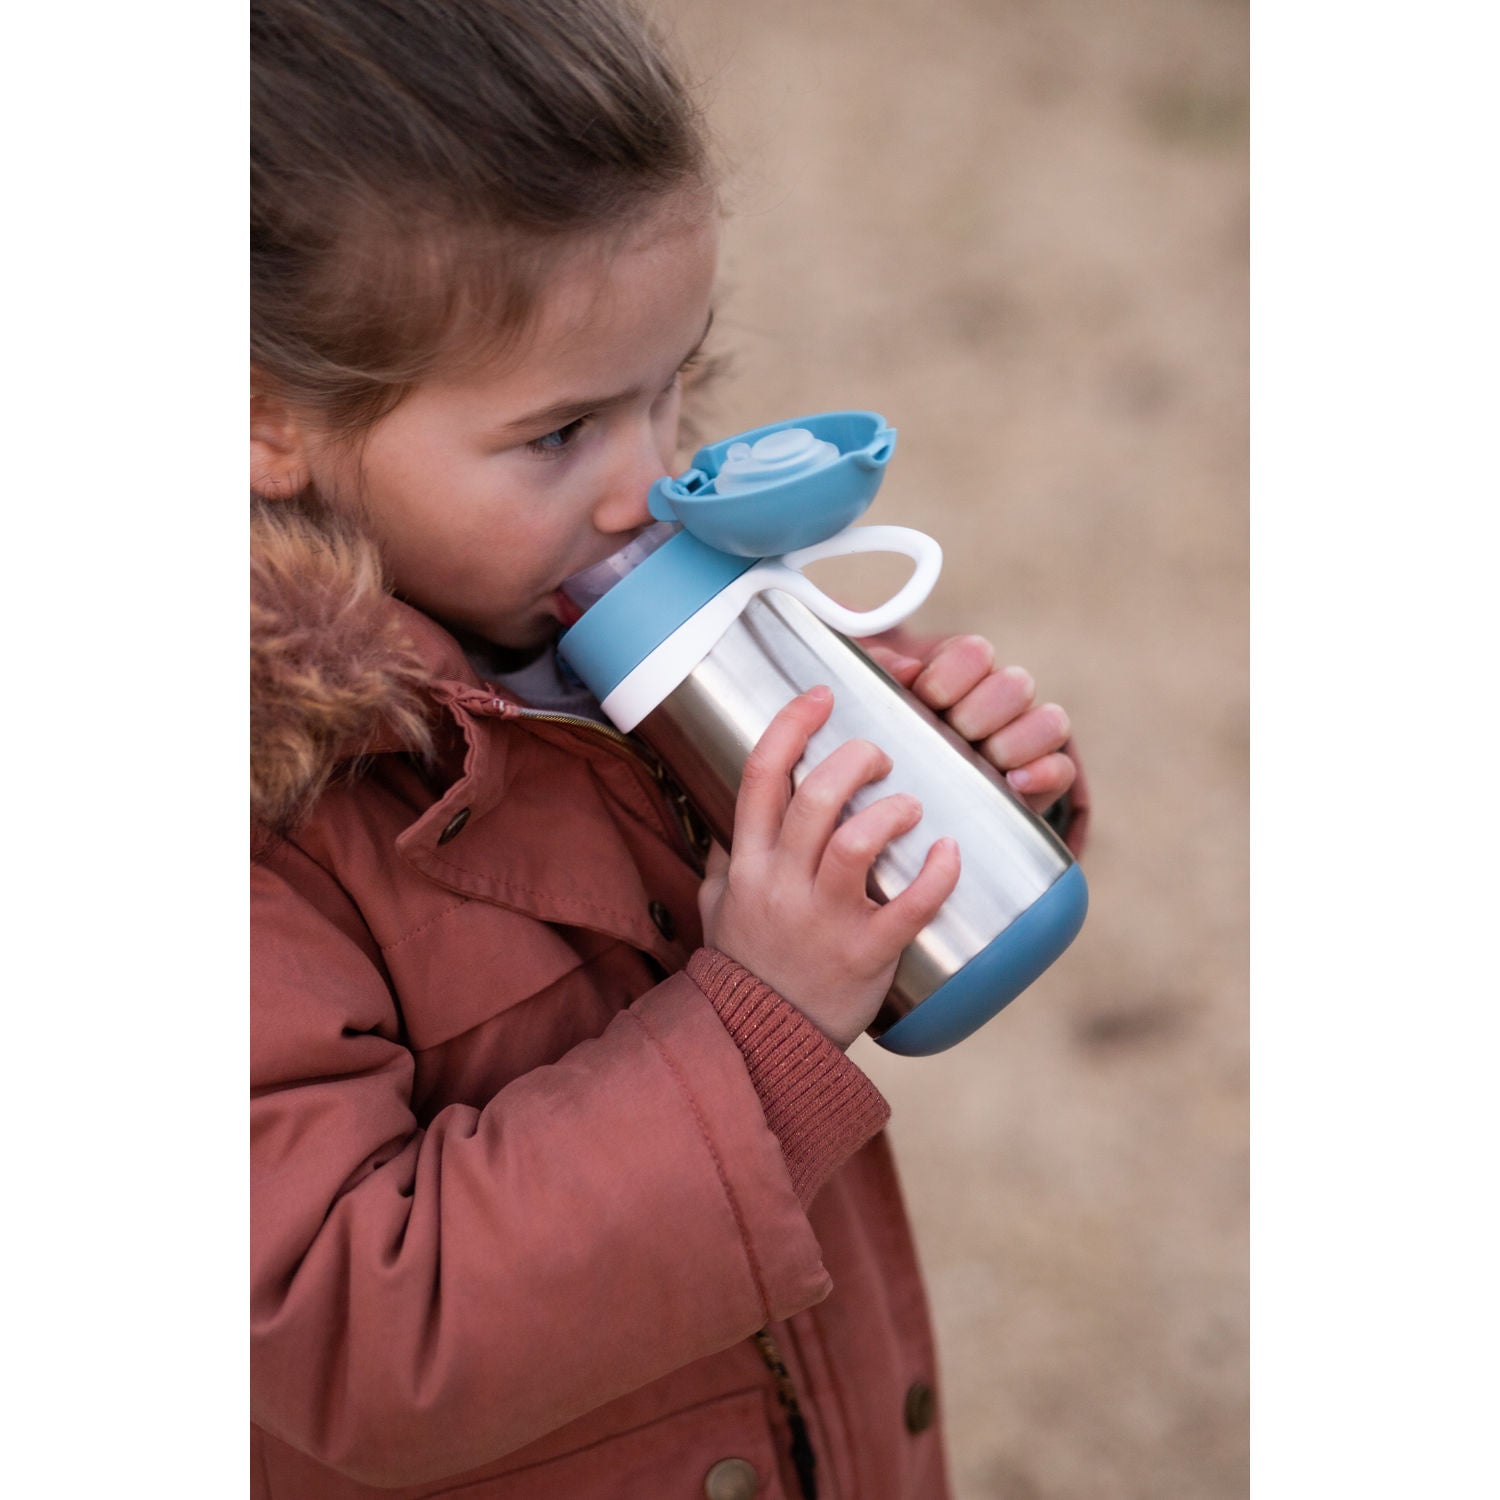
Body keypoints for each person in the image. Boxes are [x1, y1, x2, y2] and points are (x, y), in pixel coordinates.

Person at [250, 2, 1086, 1496]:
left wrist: (933, 804)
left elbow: (807, 917)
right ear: (264, 418)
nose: (656, 483)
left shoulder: (555, 608)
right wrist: (755, 1023)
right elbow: (342, 1332)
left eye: (673, 383)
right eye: (562, 431)